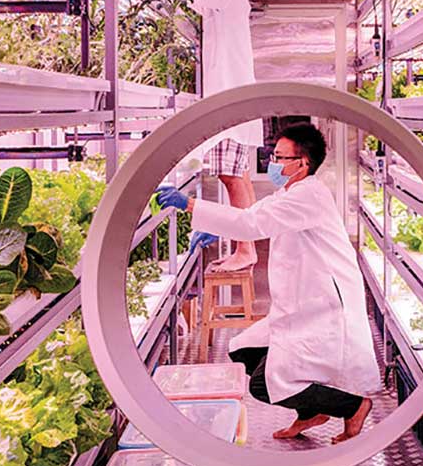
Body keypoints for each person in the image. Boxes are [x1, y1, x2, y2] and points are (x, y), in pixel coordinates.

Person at [156, 124, 381, 444]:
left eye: (279, 157)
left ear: (302, 163)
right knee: (242, 351)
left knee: (264, 386)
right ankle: (310, 411)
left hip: (322, 306)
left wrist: (191, 205)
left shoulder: (308, 196)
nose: (272, 162)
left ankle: (354, 407)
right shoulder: (289, 192)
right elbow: (255, 215)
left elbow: (251, 223)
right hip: (300, 303)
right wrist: (217, 228)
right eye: (272, 155)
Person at [178, 0, 263, 272]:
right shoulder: (229, 3)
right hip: (233, 104)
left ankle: (245, 248)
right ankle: (247, 244)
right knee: (239, 176)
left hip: (230, 105)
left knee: (230, 177)